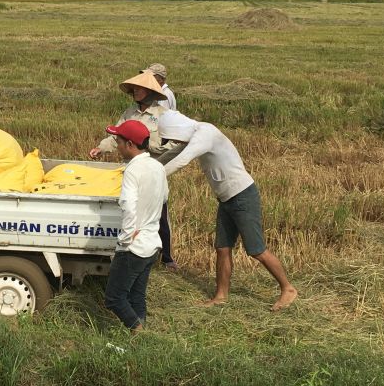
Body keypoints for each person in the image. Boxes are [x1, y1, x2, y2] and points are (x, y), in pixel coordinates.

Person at [158, 110, 298, 311]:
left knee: (256, 250)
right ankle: (221, 296)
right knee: (222, 248)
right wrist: (146, 166)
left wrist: (154, 176)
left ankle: (288, 288)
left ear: (177, 129)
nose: (174, 142)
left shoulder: (205, 133)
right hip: (226, 199)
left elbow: (182, 160)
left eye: (172, 137)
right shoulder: (194, 135)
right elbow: (173, 154)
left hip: (243, 196)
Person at [90, 72, 180, 270]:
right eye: (134, 89)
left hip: (154, 168)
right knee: (129, 207)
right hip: (131, 168)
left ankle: (166, 256)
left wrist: (153, 147)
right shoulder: (129, 113)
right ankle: (129, 246)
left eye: (139, 89)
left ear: (150, 92)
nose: (135, 92)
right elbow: (116, 137)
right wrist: (101, 148)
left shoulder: (163, 116)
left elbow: (175, 144)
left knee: (159, 212)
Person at [103, 120, 168, 332]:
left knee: (114, 298)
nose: (117, 145)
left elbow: (128, 206)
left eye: (118, 141)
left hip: (134, 246)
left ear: (130, 144)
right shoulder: (158, 167)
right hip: (152, 242)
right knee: (136, 296)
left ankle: (138, 333)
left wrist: (125, 239)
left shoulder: (132, 171)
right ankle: (140, 336)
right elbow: (164, 197)